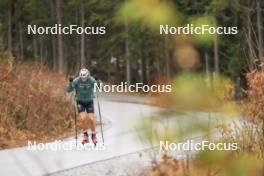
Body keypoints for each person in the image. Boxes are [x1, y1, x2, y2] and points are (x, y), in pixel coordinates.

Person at [67, 68, 97, 145]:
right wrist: (70, 82)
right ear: (80, 76)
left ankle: (93, 135)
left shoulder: (91, 80)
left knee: (91, 118)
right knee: (83, 118)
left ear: (88, 76)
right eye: (82, 77)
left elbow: (100, 88)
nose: (83, 79)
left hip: (89, 101)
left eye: (85, 77)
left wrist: (98, 82)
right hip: (80, 102)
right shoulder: (76, 81)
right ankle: (85, 135)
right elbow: (69, 90)